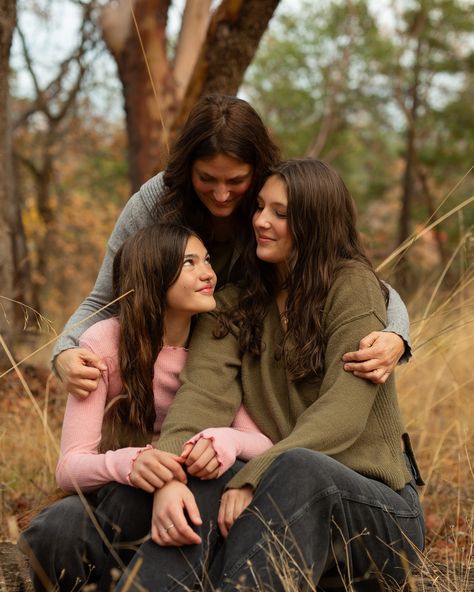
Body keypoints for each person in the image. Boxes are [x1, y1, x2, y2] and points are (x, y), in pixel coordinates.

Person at [117, 160, 425, 592]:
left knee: (299, 468)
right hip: (282, 502)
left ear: (314, 222)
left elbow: (343, 414)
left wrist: (255, 473)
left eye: (280, 213)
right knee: (202, 472)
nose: (261, 220)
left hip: (377, 511)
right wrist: (170, 476)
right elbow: (200, 398)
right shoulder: (231, 305)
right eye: (260, 207)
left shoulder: (351, 286)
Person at [52, 95, 411, 400]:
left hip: (250, 372)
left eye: (236, 181)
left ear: (256, 170)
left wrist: (396, 335)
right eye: (206, 179)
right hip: (164, 374)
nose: (221, 195)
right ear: (186, 168)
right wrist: (64, 352)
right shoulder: (154, 204)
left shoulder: (276, 205)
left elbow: (356, 278)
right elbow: (105, 299)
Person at [19, 224, 273, 591]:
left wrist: (224, 439)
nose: (208, 273)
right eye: (189, 263)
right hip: (115, 496)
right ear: (155, 274)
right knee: (59, 526)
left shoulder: (220, 341)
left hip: (196, 503)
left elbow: (261, 443)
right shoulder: (104, 342)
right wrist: (131, 462)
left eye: (206, 260)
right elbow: (70, 465)